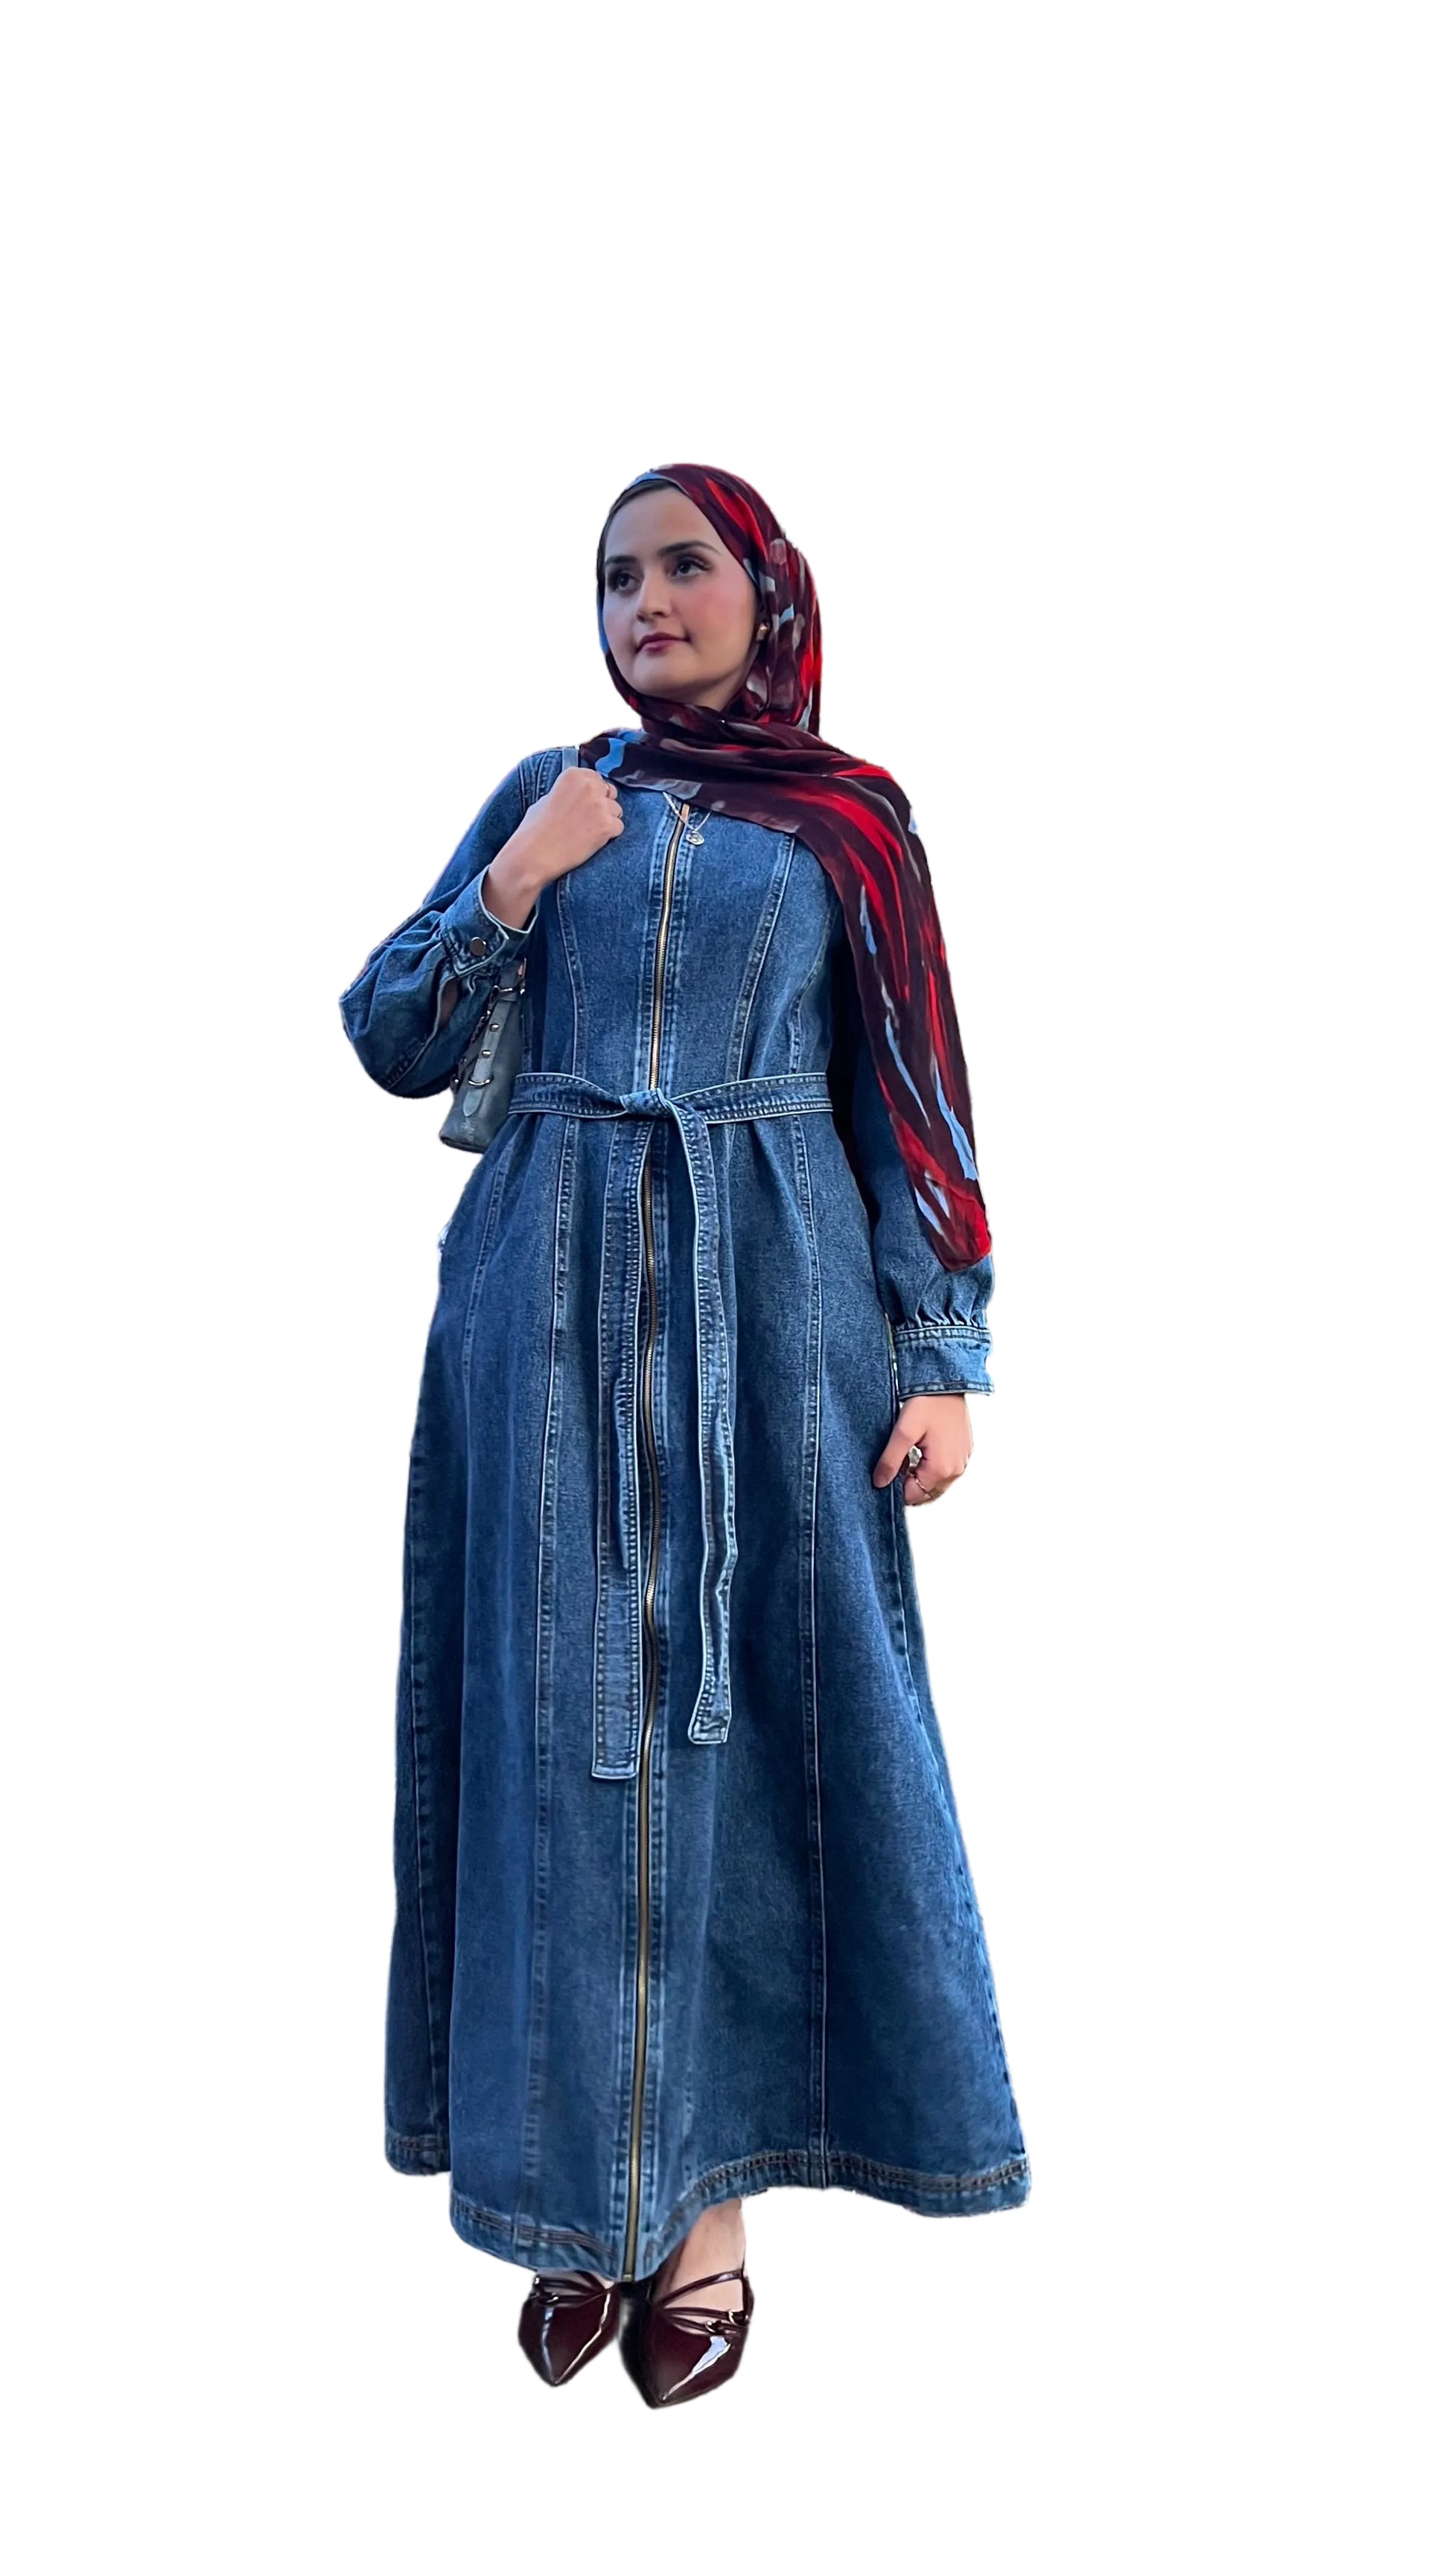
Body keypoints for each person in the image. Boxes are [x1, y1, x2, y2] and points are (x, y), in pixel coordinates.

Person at [339, 462, 1031, 2408]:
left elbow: (911, 1088)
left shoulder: (853, 820)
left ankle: (703, 2209)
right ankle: (578, 2202)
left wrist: (938, 1349)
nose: (646, 600)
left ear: (766, 588)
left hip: (774, 1313)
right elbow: (390, 1033)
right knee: (554, 1738)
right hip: (540, 1320)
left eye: (684, 564)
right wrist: (513, 881)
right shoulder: (554, 789)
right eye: (615, 576)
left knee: (755, 1734)